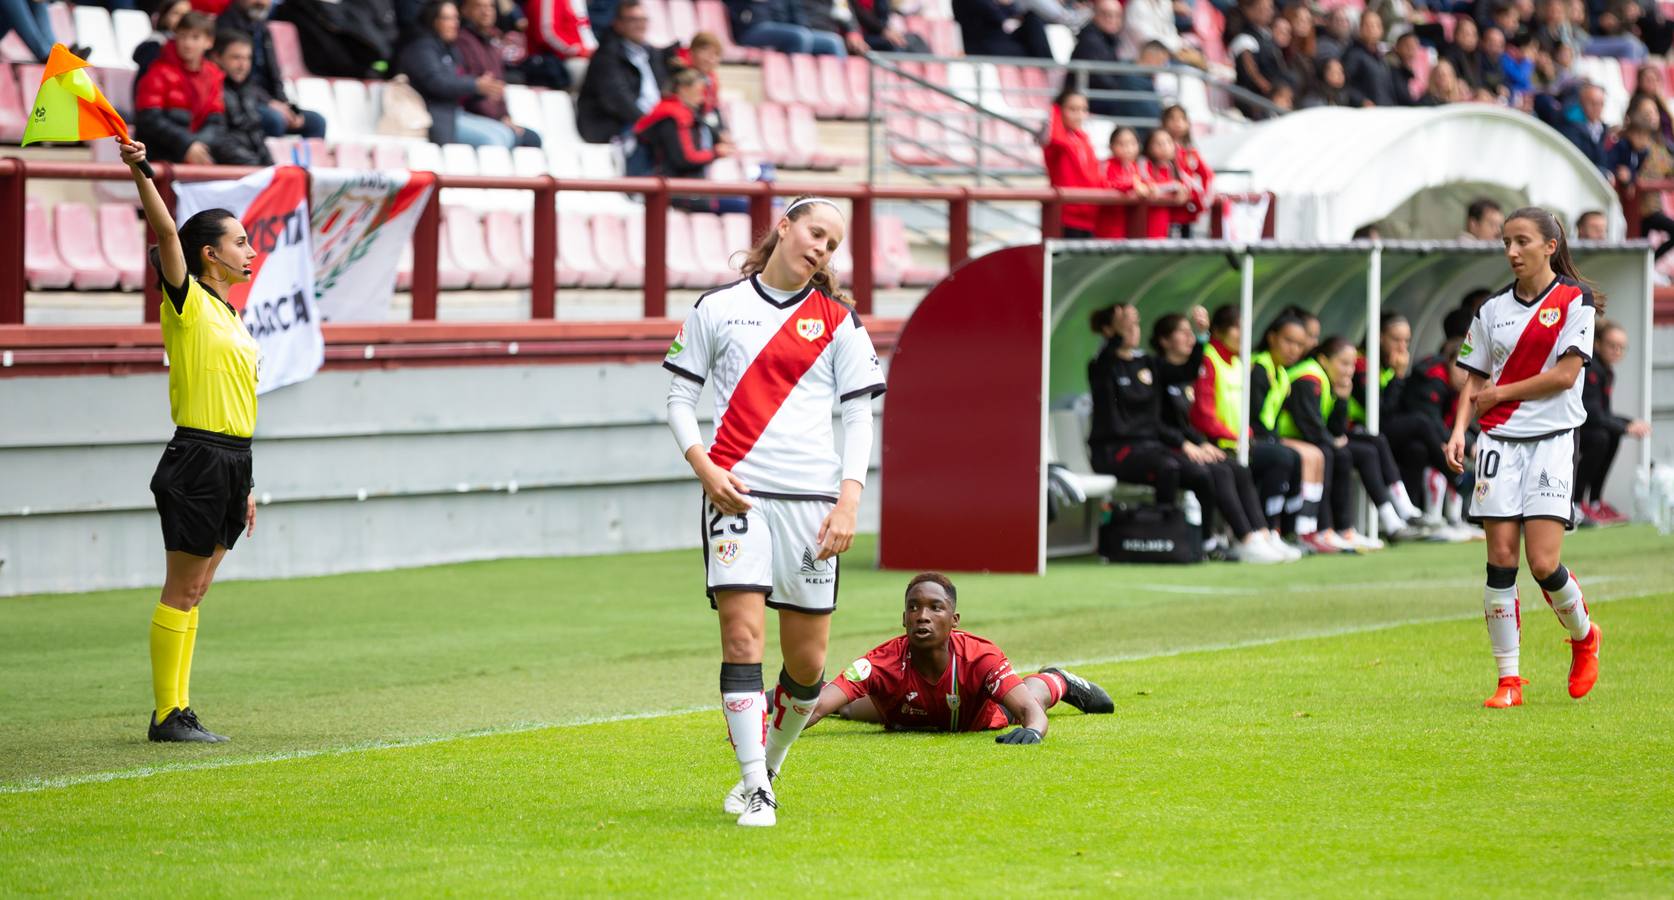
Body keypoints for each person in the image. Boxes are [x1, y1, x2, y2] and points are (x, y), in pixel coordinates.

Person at [664, 196, 886, 827]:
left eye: (834, 244)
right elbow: (680, 396)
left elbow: (858, 415)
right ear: (784, 227)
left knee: (809, 664)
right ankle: (755, 785)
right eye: (816, 232)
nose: (822, 248)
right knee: (742, 638)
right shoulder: (717, 308)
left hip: (815, 505)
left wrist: (850, 498)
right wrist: (704, 467)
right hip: (738, 496)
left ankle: (773, 763)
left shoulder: (838, 319)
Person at [115, 136, 259, 743]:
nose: (250, 250)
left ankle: (177, 710)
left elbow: (241, 401)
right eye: (240, 241)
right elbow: (167, 237)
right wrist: (142, 170)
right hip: (197, 455)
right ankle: (168, 715)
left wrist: (248, 483)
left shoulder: (230, 313)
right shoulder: (188, 301)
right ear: (210, 254)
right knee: (182, 588)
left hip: (232, 460)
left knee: (196, 589)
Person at [1446, 206, 1602, 709]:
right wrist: (1458, 430)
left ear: (1549, 246)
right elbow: (1474, 374)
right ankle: (1508, 681)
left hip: (1553, 439)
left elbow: (1564, 375)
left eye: (1521, 242)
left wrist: (1501, 392)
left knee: (1542, 562)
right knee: (1500, 560)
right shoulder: (1493, 309)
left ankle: (1583, 636)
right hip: (1497, 443)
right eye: (1506, 243)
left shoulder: (1574, 300)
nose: (1511, 251)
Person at [794, 573, 1115, 744]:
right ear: (903, 618)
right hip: (909, 713)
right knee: (844, 707)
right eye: (914, 607)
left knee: (1029, 699)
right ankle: (770, 698)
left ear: (954, 619)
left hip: (978, 715)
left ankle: (1056, 679)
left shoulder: (980, 657)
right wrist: (771, 727)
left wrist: (1032, 731)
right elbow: (819, 707)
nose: (923, 616)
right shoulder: (879, 662)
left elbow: (1032, 714)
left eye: (935, 607)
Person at [1088, 305, 1295, 563]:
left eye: (1135, 324)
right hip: (1119, 450)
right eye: (1126, 326)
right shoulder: (1102, 366)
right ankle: (1165, 535)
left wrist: (1202, 337)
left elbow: (1186, 372)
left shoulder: (1148, 363)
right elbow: (1109, 366)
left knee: (1223, 469)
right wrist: (1186, 445)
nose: (1132, 331)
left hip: (1153, 447)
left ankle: (1251, 536)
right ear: (1109, 331)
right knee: (1173, 467)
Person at [1189, 305, 1306, 549]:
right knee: (1280, 458)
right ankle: (1259, 531)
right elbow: (1203, 415)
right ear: (1219, 331)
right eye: (1237, 328)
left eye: (1246, 329)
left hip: (1239, 441)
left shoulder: (1239, 362)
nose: (1243, 335)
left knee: (1289, 458)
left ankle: (1271, 532)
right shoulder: (1209, 359)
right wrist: (1238, 436)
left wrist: (1247, 436)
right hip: (1218, 442)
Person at [1285, 336, 1420, 544]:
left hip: (1308, 439)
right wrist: (1332, 441)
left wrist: (1342, 398)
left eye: (1352, 365)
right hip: (1289, 439)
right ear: (1324, 360)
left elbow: (1335, 429)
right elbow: (1310, 426)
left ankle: (1391, 520)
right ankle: (1324, 529)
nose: (1349, 371)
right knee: (1336, 453)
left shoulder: (1330, 380)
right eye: (1344, 364)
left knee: (1369, 448)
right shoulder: (1308, 377)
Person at [1253, 315, 1347, 553]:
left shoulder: (1282, 373)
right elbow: (1255, 416)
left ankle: (1306, 529)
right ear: (1271, 337)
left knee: (1316, 455)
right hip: (1254, 438)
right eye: (1288, 341)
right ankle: (1276, 529)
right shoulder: (1260, 368)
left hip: (1270, 437)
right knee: (1298, 456)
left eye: (1299, 343)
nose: (1294, 349)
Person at [1353, 313, 1451, 527]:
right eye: (1396, 339)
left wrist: (1398, 377)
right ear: (1379, 337)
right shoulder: (1360, 364)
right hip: (1362, 429)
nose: (1402, 346)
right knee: (1420, 422)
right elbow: (1381, 412)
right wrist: (1398, 376)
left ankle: (1412, 514)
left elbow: (1399, 406)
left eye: (1406, 340)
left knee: (1417, 449)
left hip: (1383, 431)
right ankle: (1455, 476)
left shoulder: (1387, 364)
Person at [398, 1, 524, 148]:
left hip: (455, 113)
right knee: (494, 140)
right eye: (448, 18)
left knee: (506, 135)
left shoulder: (449, 48)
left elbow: (459, 83)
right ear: (433, 20)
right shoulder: (421, 48)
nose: (454, 24)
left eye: (456, 18)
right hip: (434, 117)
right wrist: (475, 85)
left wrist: (483, 89)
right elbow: (437, 83)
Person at [217, 0, 328, 140]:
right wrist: (270, 103)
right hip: (242, 101)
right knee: (275, 120)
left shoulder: (262, 28)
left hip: (268, 101)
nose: (261, 2)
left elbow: (275, 74)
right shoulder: (225, 27)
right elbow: (234, 80)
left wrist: (286, 106)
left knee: (316, 122)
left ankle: (300, 162)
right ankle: (265, 160)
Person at [634, 67, 741, 211]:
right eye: (699, 92)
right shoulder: (673, 117)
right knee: (745, 205)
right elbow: (685, 159)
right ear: (683, 89)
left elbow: (705, 130)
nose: (702, 97)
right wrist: (715, 153)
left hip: (689, 189)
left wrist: (719, 138)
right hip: (678, 192)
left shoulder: (687, 114)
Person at [1577, 318, 1651, 523]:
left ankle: (1594, 502)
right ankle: (1575, 503)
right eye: (1612, 346)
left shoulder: (1606, 371)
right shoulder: (1591, 367)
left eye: (1622, 348)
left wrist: (1629, 423)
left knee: (1611, 434)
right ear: (1597, 344)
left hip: (1588, 427)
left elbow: (1604, 413)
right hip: (1571, 429)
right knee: (1601, 437)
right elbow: (1591, 414)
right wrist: (1626, 426)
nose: (1617, 351)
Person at [134, 12, 226, 167]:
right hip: (160, 158)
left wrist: (196, 145)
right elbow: (149, 119)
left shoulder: (214, 74)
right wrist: (187, 145)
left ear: (209, 42)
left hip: (196, 154)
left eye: (195, 37)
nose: (187, 43)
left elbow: (216, 121)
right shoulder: (157, 72)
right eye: (182, 36)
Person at [576, 0, 665, 148]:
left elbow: (664, 91)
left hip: (647, 122)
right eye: (633, 20)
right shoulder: (606, 55)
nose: (640, 25)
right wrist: (649, 124)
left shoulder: (651, 54)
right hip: (613, 125)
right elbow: (617, 99)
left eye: (643, 20)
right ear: (618, 23)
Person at [454, 0, 544, 147]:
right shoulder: (462, 41)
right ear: (464, 10)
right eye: (479, 6)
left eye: (490, 6)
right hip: (473, 117)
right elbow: (474, 92)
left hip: (494, 119)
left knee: (533, 138)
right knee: (515, 139)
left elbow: (498, 87)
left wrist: (505, 117)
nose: (486, 12)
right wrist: (499, 120)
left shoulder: (492, 43)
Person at [1040, 89, 1105, 240]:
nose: (1079, 115)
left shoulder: (1083, 139)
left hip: (1089, 217)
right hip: (1066, 217)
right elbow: (1054, 137)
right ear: (1060, 110)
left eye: (1083, 109)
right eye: (1072, 109)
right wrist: (1054, 108)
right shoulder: (1056, 142)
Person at [210, 31, 275, 166]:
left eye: (247, 58)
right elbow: (218, 140)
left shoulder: (248, 88)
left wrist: (269, 166)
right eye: (236, 58)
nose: (243, 65)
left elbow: (256, 134)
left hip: (250, 165)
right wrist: (255, 166)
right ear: (217, 57)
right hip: (229, 169)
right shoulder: (210, 89)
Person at [1162, 105, 1213, 238]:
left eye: (1181, 119)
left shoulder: (1190, 152)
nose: (1177, 123)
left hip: (1186, 206)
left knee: (1186, 242)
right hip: (1165, 206)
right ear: (1164, 122)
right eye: (1172, 118)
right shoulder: (1159, 150)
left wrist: (1202, 199)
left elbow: (1207, 174)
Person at [727, 0, 846, 55]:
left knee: (833, 42)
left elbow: (797, 15)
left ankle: (842, 89)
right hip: (751, 29)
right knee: (799, 36)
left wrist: (804, 28)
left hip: (782, 30)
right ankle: (798, 83)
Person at [523, 0, 597, 89]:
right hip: (556, 61)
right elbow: (548, 35)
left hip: (580, 56)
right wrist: (580, 51)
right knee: (600, 70)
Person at [1095, 127, 1153, 239]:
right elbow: (1105, 184)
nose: (1128, 148)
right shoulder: (1106, 165)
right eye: (1121, 144)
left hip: (1130, 227)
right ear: (1111, 146)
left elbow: (1146, 183)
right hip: (1108, 227)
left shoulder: (1135, 167)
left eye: (1132, 143)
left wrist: (1150, 187)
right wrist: (1132, 185)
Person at [1343, 11, 1410, 106]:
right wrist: (1361, 101)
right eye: (1367, 25)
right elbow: (1344, 85)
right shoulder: (1354, 55)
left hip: (1386, 111)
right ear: (1360, 29)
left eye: (1376, 25)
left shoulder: (1383, 58)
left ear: (1381, 30)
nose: (1371, 29)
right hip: (1367, 114)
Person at [951, 0, 1054, 59]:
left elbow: (1012, 12)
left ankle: (1048, 63)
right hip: (983, 46)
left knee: (1032, 19)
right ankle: (1048, 64)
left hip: (1001, 40)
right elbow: (997, 16)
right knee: (1031, 50)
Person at [1141, 129, 1191, 239]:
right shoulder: (1143, 163)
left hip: (1167, 219)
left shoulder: (1173, 167)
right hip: (1146, 219)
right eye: (1158, 143)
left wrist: (1182, 189)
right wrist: (1175, 186)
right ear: (1148, 146)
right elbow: (1149, 185)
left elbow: (1188, 184)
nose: (1164, 147)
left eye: (1168, 142)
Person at [1559, 82, 1610, 175]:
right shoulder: (1569, 128)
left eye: (1601, 104)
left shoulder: (1604, 130)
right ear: (1581, 103)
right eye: (1593, 103)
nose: (1597, 108)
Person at [850, 0, 929, 53]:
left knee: (914, 39)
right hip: (865, 37)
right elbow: (860, 14)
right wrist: (884, 30)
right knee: (897, 46)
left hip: (881, 33)